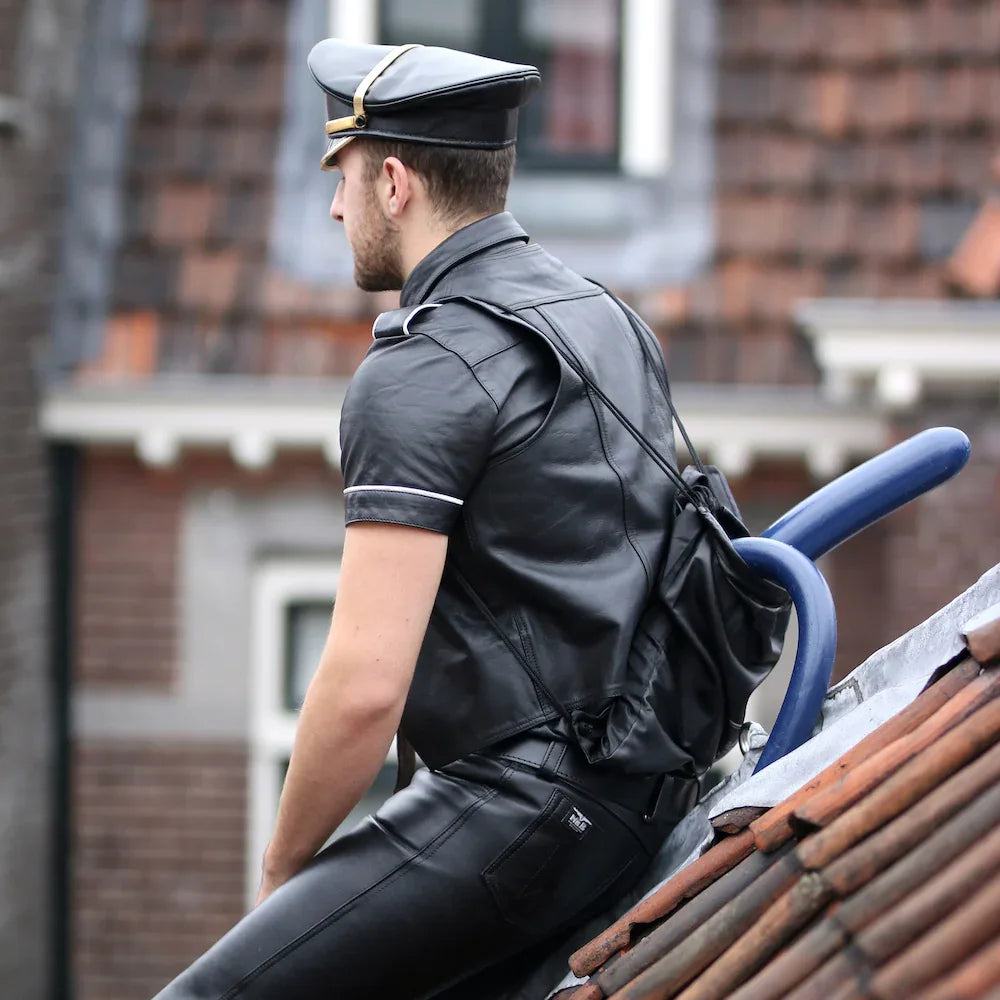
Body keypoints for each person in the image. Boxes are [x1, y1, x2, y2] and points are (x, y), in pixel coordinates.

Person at [153, 39, 700, 1000]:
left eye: (347, 176)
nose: (334, 205)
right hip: (643, 788)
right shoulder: (607, 319)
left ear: (395, 183)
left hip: (521, 813)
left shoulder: (421, 369)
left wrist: (285, 872)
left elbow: (364, 689)